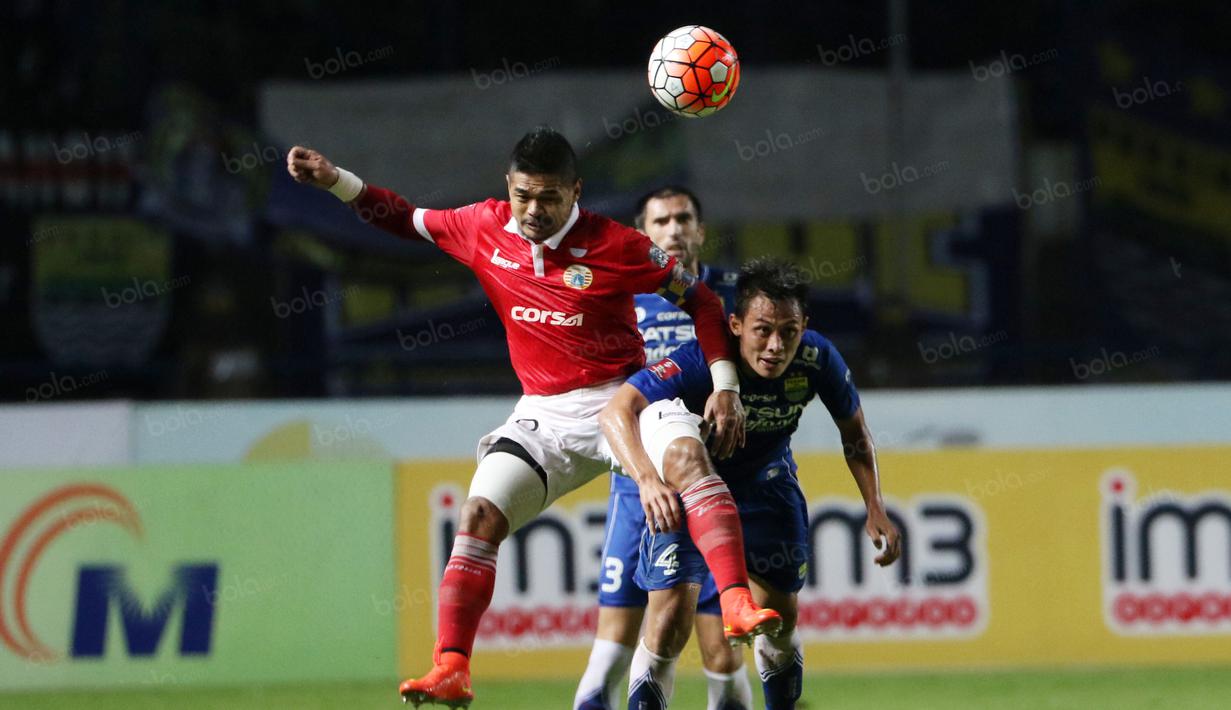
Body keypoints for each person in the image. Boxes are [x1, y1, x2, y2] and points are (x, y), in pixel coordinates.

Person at [285, 127, 779, 709]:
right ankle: (451, 666)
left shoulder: (618, 244)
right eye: (523, 195)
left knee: (688, 460)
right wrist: (333, 180)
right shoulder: (483, 226)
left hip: (627, 396)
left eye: (548, 198)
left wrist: (724, 387)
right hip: (545, 412)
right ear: (508, 188)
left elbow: (699, 300)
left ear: (576, 192)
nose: (534, 210)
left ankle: (737, 602)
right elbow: (404, 218)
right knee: (478, 513)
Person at [599, 257, 902, 709]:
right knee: (666, 628)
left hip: (767, 488)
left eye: (789, 331)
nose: (776, 346)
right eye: (763, 330)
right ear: (736, 324)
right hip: (690, 498)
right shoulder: (701, 360)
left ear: (804, 327)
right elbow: (617, 411)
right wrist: (646, 478)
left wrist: (875, 506)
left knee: (779, 622)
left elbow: (855, 435)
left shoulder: (818, 358)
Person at [575, 186, 753, 710]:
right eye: (661, 221)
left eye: (684, 218)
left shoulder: (733, 298)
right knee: (612, 644)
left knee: (722, 650)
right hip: (641, 486)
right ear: (642, 235)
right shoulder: (619, 300)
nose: (674, 229)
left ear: (699, 229)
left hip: (716, 482)